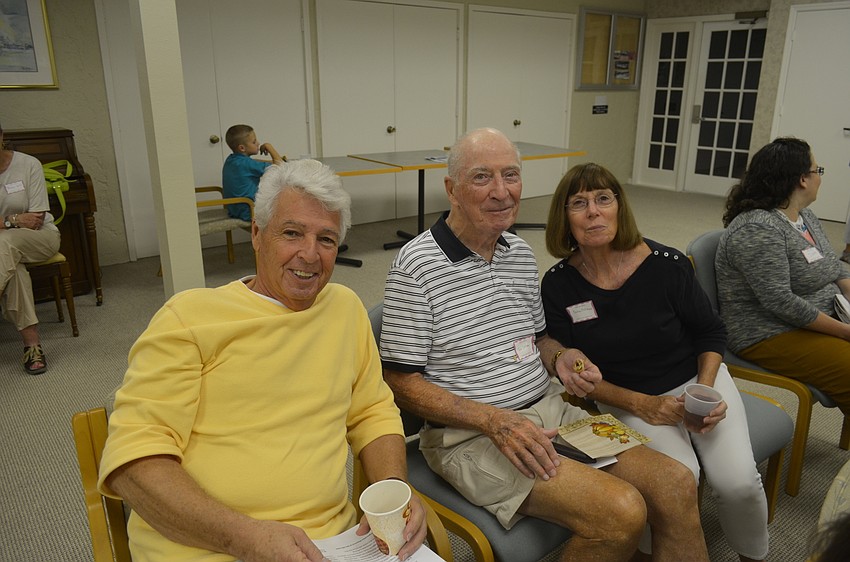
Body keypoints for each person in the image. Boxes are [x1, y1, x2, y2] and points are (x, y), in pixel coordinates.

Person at [379, 128, 709, 562]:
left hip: (549, 409)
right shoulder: (416, 265)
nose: (501, 192)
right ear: (452, 189)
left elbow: (540, 338)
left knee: (677, 481)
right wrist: (493, 419)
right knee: (621, 511)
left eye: (511, 176)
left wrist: (563, 356)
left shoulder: (518, 252)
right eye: (482, 178)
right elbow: (398, 381)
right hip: (470, 436)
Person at [98, 160, 427, 562]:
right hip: (207, 546)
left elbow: (373, 412)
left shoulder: (345, 309)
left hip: (332, 545)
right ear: (257, 234)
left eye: (326, 239)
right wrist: (243, 537)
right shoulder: (189, 318)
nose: (309, 254)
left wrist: (395, 493)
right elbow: (133, 462)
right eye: (292, 233)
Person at [540, 162, 768, 562]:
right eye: (579, 203)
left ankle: (753, 555)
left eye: (603, 198)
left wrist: (705, 390)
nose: (593, 211)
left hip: (696, 381)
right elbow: (568, 366)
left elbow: (711, 333)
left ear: (619, 207)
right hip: (625, 397)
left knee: (739, 483)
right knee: (674, 483)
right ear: (565, 218)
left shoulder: (667, 264)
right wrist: (641, 404)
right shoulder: (559, 284)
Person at [716, 137, 850, 415]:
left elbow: (834, 267)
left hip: (820, 317)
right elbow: (780, 301)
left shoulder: (805, 217)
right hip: (769, 331)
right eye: (817, 171)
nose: (819, 178)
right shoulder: (757, 228)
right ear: (802, 179)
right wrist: (845, 331)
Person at [0, 121, 61, 375]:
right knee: (15, 270)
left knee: (5, 242)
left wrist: (9, 226)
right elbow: (20, 220)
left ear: (1, 136)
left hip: (40, 238)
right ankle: (32, 345)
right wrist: (12, 220)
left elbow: (35, 220)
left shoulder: (28, 165)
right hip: (6, 251)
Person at [222, 124, 285, 222]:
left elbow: (254, 162)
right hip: (249, 210)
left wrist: (272, 161)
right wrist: (269, 147)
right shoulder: (247, 164)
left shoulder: (232, 160)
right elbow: (281, 167)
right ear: (242, 148)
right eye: (254, 142)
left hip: (235, 210)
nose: (258, 143)